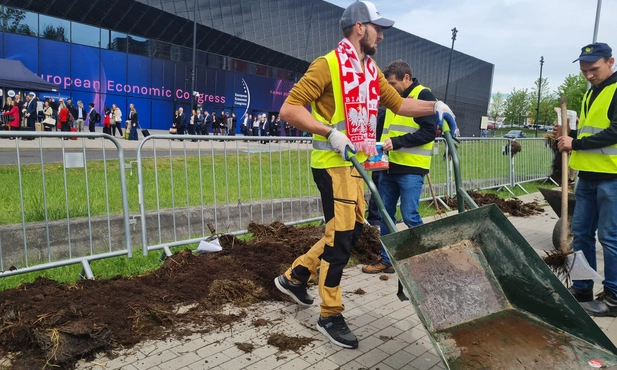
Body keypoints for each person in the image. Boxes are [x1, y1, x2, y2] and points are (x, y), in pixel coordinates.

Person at [273, 1, 454, 349]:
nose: (382, 35)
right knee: (340, 237)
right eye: (377, 28)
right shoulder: (326, 66)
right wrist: (329, 132)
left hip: (355, 165)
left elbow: (399, 104)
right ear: (360, 27)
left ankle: (296, 276)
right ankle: (330, 314)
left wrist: (436, 107)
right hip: (331, 163)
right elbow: (290, 109)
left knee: (353, 229)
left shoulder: (369, 70)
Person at [557, 42, 617, 316]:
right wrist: (568, 134)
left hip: (612, 178)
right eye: (584, 71)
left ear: (610, 62)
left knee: (610, 237)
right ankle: (582, 288)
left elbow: (614, 132)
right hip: (588, 177)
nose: (589, 75)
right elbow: (590, 130)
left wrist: (576, 143)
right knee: (580, 234)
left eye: (594, 69)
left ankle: (614, 297)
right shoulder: (590, 93)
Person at [362, 60, 437, 274]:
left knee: (410, 215)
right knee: (386, 215)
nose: (390, 88)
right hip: (388, 167)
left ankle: (426, 256)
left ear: (407, 78)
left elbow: (429, 132)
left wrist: (397, 142)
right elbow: (387, 131)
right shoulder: (393, 99)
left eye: (393, 83)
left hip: (411, 169)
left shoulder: (424, 95)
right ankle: (387, 259)